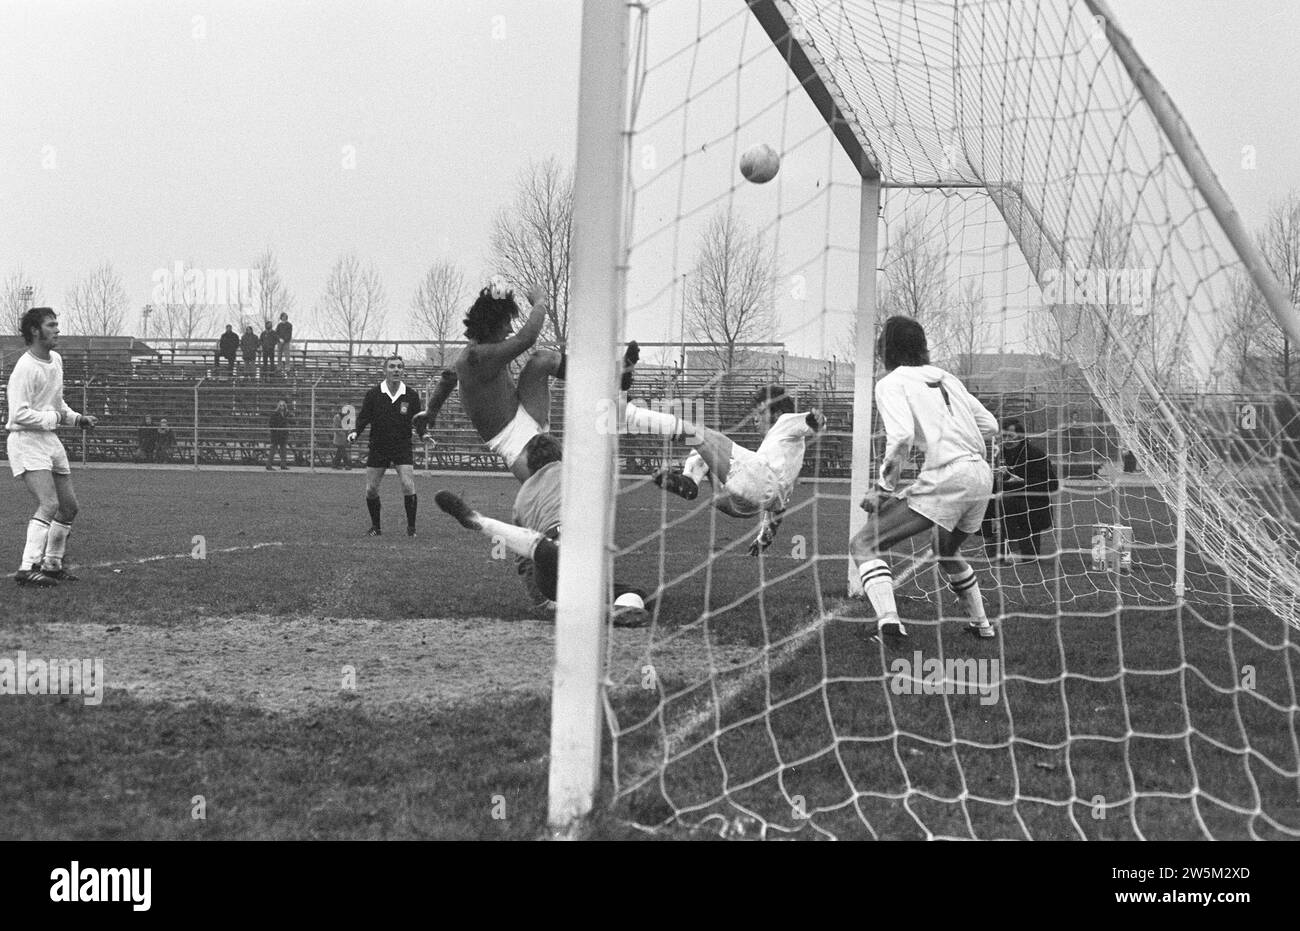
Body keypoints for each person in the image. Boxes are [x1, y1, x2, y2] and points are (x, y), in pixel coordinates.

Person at [847, 315, 1000, 640]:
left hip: (950, 475)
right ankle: (982, 626)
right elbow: (991, 426)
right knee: (944, 549)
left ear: (884, 349)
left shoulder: (890, 383)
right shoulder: (947, 378)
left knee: (863, 543)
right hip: (982, 477)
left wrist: (883, 489)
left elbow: (900, 436)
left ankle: (889, 622)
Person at [418, 276, 637, 483]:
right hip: (513, 441)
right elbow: (527, 337)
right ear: (491, 324)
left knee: (542, 360)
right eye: (507, 322)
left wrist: (431, 412)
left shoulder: (474, 354)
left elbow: (448, 379)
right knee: (553, 498)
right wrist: (539, 302)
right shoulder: (477, 357)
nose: (510, 328)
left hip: (524, 411)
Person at [434, 434, 650, 626]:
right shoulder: (572, 470)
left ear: (529, 464)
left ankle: (482, 522)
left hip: (546, 574)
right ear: (559, 455)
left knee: (550, 557)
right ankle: (617, 608)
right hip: (577, 549)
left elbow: (523, 562)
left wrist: (543, 601)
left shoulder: (521, 498)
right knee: (634, 594)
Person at [643, 384, 827, 555]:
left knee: (701, 435)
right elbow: (778, 505)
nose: (755, 418)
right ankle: (689, 481)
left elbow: (809, 422)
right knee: (704, 449)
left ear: (777, 413)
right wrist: (764, 536)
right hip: (746, 504)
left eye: (761, 412)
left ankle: (637, 417)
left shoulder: (785, 421)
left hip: (751, 489)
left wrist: (817, 420)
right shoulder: (783, 454)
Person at [6, 307, 97, 586]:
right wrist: (54, 418)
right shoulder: (25, 368)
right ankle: (27, 568)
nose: (58, 329)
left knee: (69, 507)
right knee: (49, 504)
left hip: (49, 439)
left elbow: (56, 404)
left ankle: (53, 564)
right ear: (35, 330)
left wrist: (76, 418)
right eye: (51, 325)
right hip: (26, 440)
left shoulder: (55, 359)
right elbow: (17, 415)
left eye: (57, 324)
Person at [348, 355, 422, 536]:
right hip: (379, 446)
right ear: (385, 370)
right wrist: (355, 432)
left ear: (403, 370)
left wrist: (424, 434)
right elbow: (364, 417)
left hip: (402, 446)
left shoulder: (411, 395)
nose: (396, 370)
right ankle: (376, 527)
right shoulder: (373, 394)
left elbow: (419, 420)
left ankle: (411, 529)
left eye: (399, 367)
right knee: (371, 489)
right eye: (392, 366)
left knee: (407, 484)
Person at [997, 418, 1058, 560]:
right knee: (984, 499)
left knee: (1006, 501)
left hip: (1035, 507)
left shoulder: (1035, 454)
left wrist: (1022, 482)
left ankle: (1014, 549)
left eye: (1010, 436)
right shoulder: (999, 455)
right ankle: (991, 543)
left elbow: (1052, 485)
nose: (1006, 440)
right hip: (1008, 504)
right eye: (1003, 436)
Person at [267, 400, 291, 471]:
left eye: (283, 405)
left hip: (283, 435)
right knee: (273, 450)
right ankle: (268, 465)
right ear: (278, 406)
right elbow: (271, 424)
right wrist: (274, 432)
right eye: (280, 405)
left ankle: (283, 465)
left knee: (283, 451)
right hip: (276, 435)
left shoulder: (286, 414)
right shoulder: (275, 414)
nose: (282, 407)